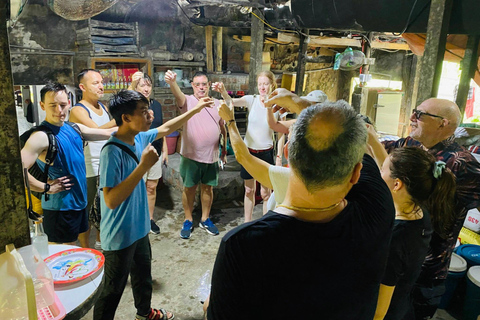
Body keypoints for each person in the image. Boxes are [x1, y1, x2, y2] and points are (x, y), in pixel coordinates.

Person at [206, 90, 395, 319]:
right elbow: (347, 131)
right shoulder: (378, 209)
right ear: (355, 173)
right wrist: (302, 104)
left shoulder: (242, 246)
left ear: (287, 153)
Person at [93, 89, 214, 320]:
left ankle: (144, 313)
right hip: (119, 235)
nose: (149, 115)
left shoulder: (139, 137)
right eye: (143, 111)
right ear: (126, 118)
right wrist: (143, 167)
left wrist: (196, 109)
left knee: (142, 276)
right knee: (112, 291)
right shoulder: (112, 151)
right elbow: (110, 199)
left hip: (139, 229)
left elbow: (167, 128)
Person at [382, 98, 480, 319]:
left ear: (442, 123)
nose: (412, 118)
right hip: (395, 258)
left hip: (426, 273)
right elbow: (379, 151)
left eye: (420, 114)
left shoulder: (461, 163)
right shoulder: (409, 144)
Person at [368, 126, 456, 320]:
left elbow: (380, 311)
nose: (379, 172)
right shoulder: (419, 212)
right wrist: (372, 140)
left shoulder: (395, 239)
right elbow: (392, 173)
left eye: (381, 171)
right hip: (404, 305)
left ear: (397, 184)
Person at [20, 82, 115, 247]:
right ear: (42, 105)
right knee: (60, 255)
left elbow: (107, 133)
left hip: (78, 203)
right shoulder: (41, 136)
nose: (59, 110)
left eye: (63, 105)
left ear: (69, 104)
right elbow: (17, 171)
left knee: (73, 247)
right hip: (60, 209)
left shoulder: (74, 128)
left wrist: (138, 126)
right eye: (53, 105)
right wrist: (46, 187)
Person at [165, 70, 226, 239]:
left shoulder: (217, 103)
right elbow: (178, 94)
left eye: (204, 84)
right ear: (192, 86)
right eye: (197, 84)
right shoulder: (188, 101)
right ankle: (188, 219)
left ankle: (205, 218)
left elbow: (223, 127)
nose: (201, 87)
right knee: (189, 188)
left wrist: (224, 150)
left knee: (208, 188)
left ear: (208, 86)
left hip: (211, 155)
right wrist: (172, 83)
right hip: (191, 155)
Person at [212, 70, 277, 222]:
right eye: (260, 84)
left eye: (266, 84)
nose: (262, 87)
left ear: (272, 85)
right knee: (249, 190)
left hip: (266, 152)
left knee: (266, 192)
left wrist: (279, 156)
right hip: (249, 153)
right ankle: (247, 223)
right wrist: (222, 91)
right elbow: (231, 102)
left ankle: (265, 223)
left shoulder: (276, 105)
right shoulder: (251, 100)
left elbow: (279, 132)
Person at [69, 69, 117, 249]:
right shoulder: (78, 110)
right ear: (83, 87)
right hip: (89, 169)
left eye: (101, 82)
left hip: (104, 166)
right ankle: (85, 248)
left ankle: (99, 242)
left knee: (103, 209)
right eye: (95, 83)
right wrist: (121, 116)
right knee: (86, 211)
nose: (101, 86)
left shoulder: (102, 107)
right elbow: (99, 131)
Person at [129, 71, 168, 235]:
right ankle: (136, 220)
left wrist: (165, 150)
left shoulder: (156, 105)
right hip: (138, 154)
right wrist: (131, 85)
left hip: (155, 153)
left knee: (151, 187)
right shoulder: (131, 104)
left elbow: (160, 130)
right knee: (136, 189)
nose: (146, 89)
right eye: (142, 85)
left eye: (148, 85)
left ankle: (149, 219)